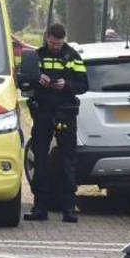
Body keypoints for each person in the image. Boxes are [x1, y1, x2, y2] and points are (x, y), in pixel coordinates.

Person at [25, 23, 89, 223]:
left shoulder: (72, 56)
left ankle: (69, 209)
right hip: (43, 112)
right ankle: (40, 208)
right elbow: (24, 81)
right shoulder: (37, 56)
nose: (55, 46)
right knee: (40, 160)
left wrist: (66, 85)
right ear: (47, 38)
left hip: (65, 113)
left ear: (63, 40)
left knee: (67, 161)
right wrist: (38, 78)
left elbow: (84, 85)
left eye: (59, 43)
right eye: (52, 43)